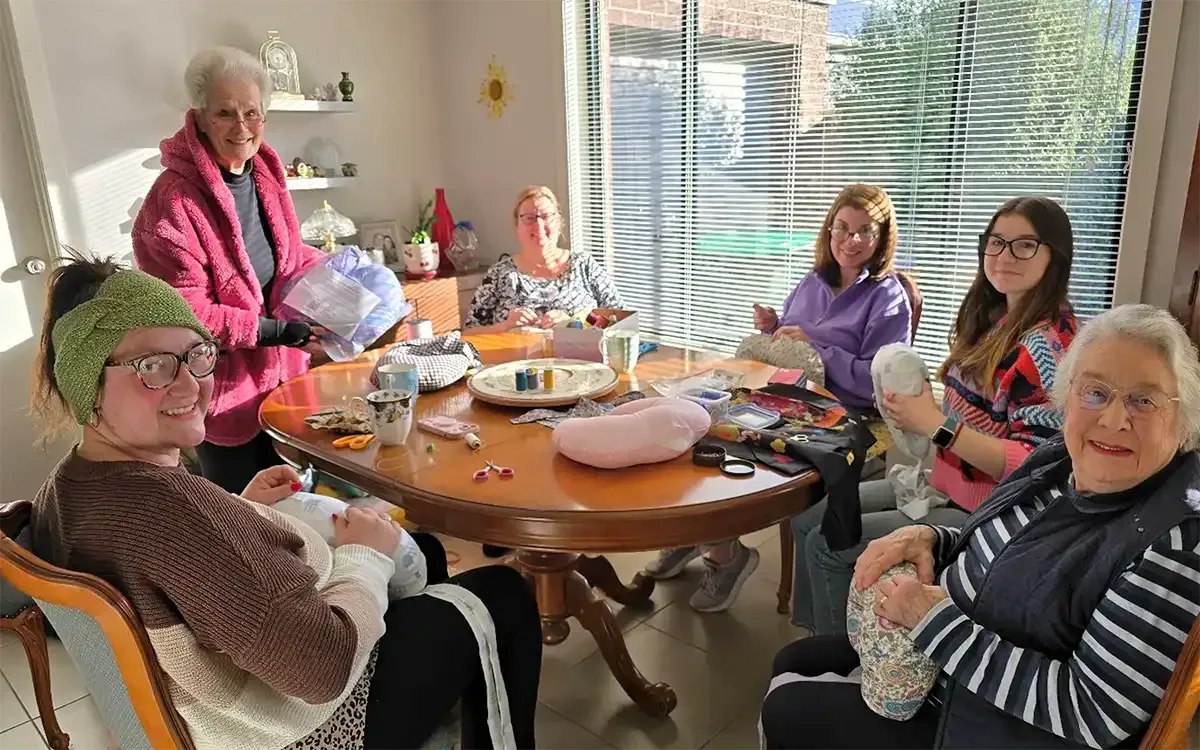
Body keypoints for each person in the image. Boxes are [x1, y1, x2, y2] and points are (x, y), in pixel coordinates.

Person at [29, 259, 542, 750]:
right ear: (87, 386)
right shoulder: (169, 512)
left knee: (424, 552)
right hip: (305, 728)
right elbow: (322, 669)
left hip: (213, 711)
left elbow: (172, 565)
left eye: (197, 354)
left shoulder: (68, 485)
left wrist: (237, 510)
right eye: (153, 367)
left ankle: (448, 684)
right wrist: (363, 558)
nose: (189, 384)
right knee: (502, 591)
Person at [761, 303, 1200, 750]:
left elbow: (1093, 713)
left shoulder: (1173, 544)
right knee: (792, 661)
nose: (1112, 419)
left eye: (1144, 400)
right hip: (943, 664)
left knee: (785, 708)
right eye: (1095, 392)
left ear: (1183, 420)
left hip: (986, 725)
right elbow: (1008, 548)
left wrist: (932, 621)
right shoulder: (1059, 460)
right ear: (1067, 395)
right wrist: (934, 540)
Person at [789, 196, 1078, 635]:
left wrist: (937, 425)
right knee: (808, 517)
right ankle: (815, 640)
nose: (1004, 256)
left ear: (1055, 256)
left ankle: (837, 659)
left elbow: (1035, 465)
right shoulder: (997, 317)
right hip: (941, 483)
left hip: (984, 511)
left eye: (1024, 245)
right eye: (996, 242)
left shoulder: (1045, 348)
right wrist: (922, 410)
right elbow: (980, 415)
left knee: (827, 544)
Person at [645, 183, 914, 613]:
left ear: (882, 237)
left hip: (841, 413)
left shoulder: (888, 297)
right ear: (829, 230)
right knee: (702, 429)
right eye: (842, 228)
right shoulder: (813, 280)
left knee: (738, 444)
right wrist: (773, 326)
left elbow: (876, 381)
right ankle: (702, 536)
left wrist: (817, 348)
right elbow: (790, 338)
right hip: (786, 397)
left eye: (865, 230)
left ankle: (723, 553)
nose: (850, 240)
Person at [132, 47, 327, 494]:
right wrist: (272, 331)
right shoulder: (173, 201)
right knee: (245, 513)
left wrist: (339, 276)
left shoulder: (265, 172)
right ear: (200, 118)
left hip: (287, 381)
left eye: (251, 112)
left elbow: (285, 253)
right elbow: (183, 311)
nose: (241, 127)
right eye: (225, 113)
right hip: (224, 391)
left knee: (302, 503)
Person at [464, 185, 624, 333]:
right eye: (529, 218)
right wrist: (505, 326)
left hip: (579, 355)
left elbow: (620, 321)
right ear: (517, 226)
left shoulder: (584, 265)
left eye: (546, 217)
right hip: (515, 355)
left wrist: (574, 322)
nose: (539, 226)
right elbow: (467, 333)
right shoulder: (498, 274)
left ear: (559, 223)